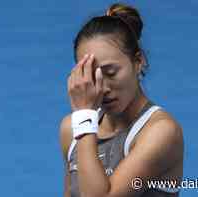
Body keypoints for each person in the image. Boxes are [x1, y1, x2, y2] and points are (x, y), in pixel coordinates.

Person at [60, 3, 184, 197]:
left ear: (138, 61)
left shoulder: (161, 132)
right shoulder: (70, 129)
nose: (104, 87)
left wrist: (84, 116)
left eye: (111, 73)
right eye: (92, 76)